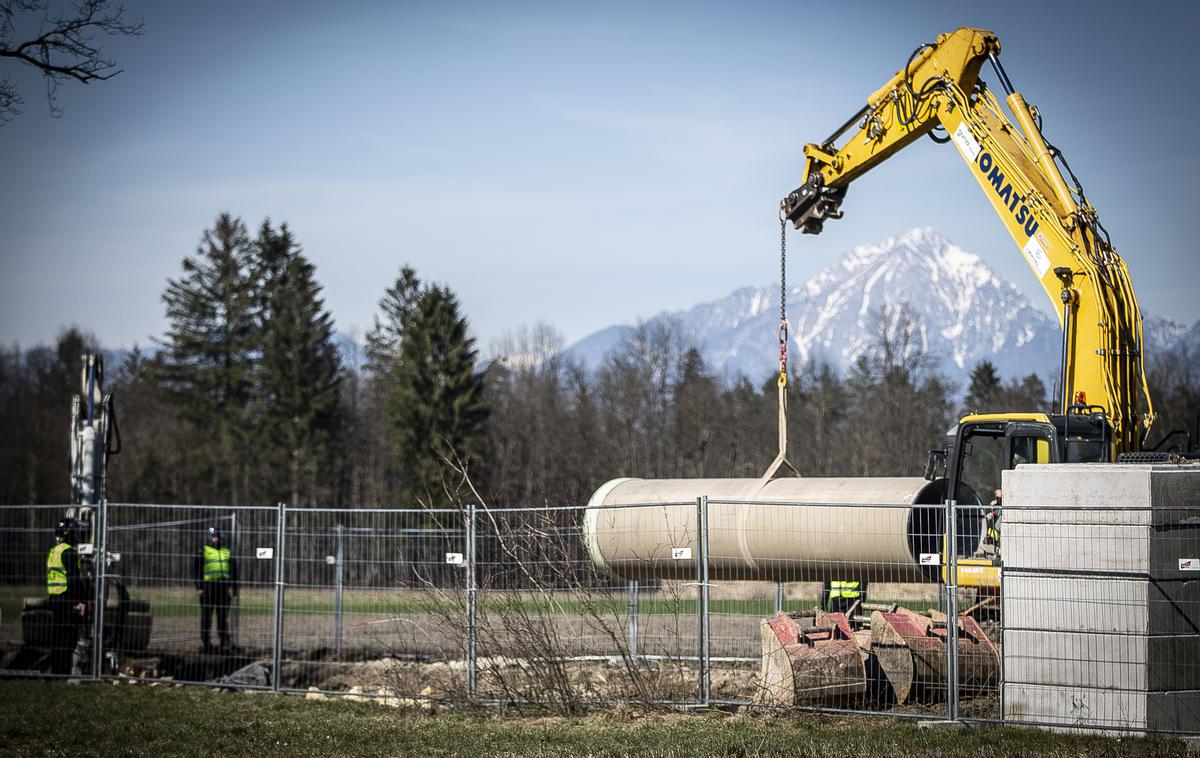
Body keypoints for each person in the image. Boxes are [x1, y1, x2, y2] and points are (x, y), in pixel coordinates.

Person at [47, 518, 88, 674]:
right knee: (67, 638)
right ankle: (63, 671)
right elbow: (74, 579)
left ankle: (56, 670)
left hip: (55, 599)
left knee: (57, 637)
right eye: (76, 532)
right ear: (70, 533)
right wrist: (81, 601)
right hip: (67, 600)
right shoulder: (69, 552)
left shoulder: (54, 550)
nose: (78, 535)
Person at [193, 526, 238, 653]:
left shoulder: (227, 552)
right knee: (206, 617)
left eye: (217, 536)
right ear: (209, 537)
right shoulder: (202, 552)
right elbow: (196, 571)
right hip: (207, 589)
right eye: (213, 536)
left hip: (223, 589)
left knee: (222, 617)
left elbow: (234, 571)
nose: (215, 539)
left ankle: (224, 641)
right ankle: (206, 642)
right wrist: (199, 587)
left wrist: (234, 588)